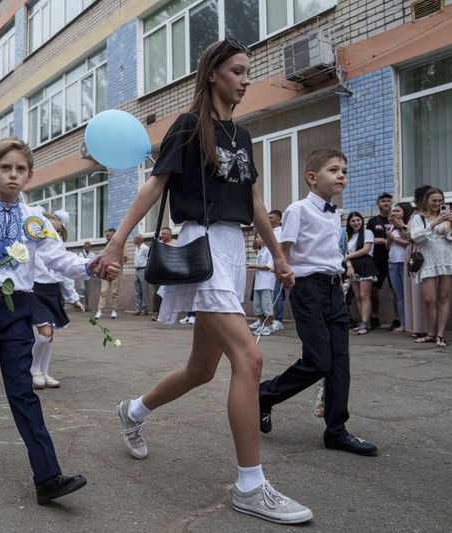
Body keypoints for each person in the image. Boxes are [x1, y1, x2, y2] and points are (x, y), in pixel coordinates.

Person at [90, 40, 312, 524]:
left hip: (234, 249)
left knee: (202, 370)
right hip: (201, 247)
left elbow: (254, 202)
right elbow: (155, 185)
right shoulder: (189, 127)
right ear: (213, 74)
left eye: (249, 71)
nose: (246, 79)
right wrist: (116, 243)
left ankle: (132, 412)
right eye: (237, 70)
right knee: (250, 358)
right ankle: (250, 486)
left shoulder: (244, 134)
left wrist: (276, 255)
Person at [0, 137, 121, 505]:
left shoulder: (34, 220)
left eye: (20, 169)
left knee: (22, 390)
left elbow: (58, 260)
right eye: (6, 168)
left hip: (16, 309)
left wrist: (93, 266)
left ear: (30, 175)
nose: (13, 175)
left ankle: (47, 476)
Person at [259, 148, 378, 459]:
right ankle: (264, 395)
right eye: (334, 170)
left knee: (340, 361)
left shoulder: (334, 213)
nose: (342, 175)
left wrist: (340, 278)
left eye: (344, 171)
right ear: (312, 178)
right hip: (307, 290)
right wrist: (282, 272)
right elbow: (282, 250)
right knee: (318, 361)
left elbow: (329, 255)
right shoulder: (298, 210)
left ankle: (336, 430)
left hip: (332, 289)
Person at [30, 211, 86, 389]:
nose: (52, 221)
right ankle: (33, 370)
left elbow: (66, 273)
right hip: (36, 290)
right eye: (48, 218)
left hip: (53, 291)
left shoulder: (59, 246)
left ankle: (44, 371)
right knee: (44, 333)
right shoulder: (34, 240)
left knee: (50, 335)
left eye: (55, 218)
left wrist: (74, 298)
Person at [408, 187, 452, 348]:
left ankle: (440, 334)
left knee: (444, 297)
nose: (437, 204)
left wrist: (451, 222)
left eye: (440, 201)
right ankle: (430, 333)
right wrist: (435, 223)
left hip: (446, 256)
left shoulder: (446, 216)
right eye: (434, 201)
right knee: (429, 299)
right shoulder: (419, 217)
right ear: (427, 201)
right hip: (428, 259)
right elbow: (416, 237)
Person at [403, 185, 431, 338]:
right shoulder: (416, 216)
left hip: (429, 252)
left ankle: (428, 326)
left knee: (427, 291)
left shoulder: (433, 214)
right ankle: (418, 326)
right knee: (416, 290)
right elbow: (411, 235)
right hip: (417, 253)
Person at [344, 212, 377, 335]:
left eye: (358, 220)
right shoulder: (348, 236)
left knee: (364, 295)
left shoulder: (367, 232)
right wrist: (349, 265)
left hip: (365, 264)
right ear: (349, 223)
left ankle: (364, 323)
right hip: (353, 266)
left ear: (362, 221)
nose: (356, 223)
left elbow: (366, 249)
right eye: (353, 221)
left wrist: (348, 257)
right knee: (357, 296)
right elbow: (345, 252)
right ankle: (365, 323)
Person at [366, 192, 393, 330]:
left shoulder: (395, 219)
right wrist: (380, 241)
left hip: (394, 259)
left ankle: (397, 319)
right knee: (374, 290)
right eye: (383, 201)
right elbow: (368, 240)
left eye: (388, 201)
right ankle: (374, 316)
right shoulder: (373, 221)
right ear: (378, 204)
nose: (386, 203)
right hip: (377, 260)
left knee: (396, 290)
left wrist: (383, 240)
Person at [385, 202, 412, 333]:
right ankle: (404, 324)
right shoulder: (391, 228)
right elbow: (387, 246)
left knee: (408, 295)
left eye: (398, 211)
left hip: (404, 262)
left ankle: (413, 323)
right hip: (392, 263)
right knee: (399, 295)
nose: (394, 213)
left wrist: (395, 239)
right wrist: (390, 238)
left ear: (405, 212)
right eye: (393, 211)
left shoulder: (407, 226)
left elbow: (410, 243)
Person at [247, 234, 275, 336]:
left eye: (258, 237)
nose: (256, 239)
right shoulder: (260, 251)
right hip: (258, 283)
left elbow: (269, 266)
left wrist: (254, 266)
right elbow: (254, 246)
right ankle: (262, 324)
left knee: (266, 305)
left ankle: (269, 326)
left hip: (267, 282)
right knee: (258, 306)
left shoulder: (270, 250)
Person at [94, 228, 125, 320]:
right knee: (104, 291)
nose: (106, 236)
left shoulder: (121, 245)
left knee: (115, 291)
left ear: (114, 235)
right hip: (105, 270)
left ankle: (114, 310)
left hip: (115, 270)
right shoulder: (105, 245)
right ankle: (100, 310)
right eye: (106, 235)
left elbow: (124, 258)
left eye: (108, 235)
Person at [268, 210, 286, 332]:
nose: (268, 219)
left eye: (271, 217)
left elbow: (282, 248)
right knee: (274, 294)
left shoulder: (282, 232)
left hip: (279, 267)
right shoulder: (269, 232)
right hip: (268, 268)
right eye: (267, 217)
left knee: (277, 294)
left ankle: (278, 320)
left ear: (279, 220)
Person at [132, 234, 149, 315]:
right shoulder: (137, 248)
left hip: (143, 270)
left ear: (139, 239)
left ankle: (145, 309)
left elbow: (148, 259)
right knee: (137, 290)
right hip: (137, 270)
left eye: (135, 238)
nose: (133, 240)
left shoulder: (145, 248)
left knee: (144, 290)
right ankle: (138, 308)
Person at [76, 241, 96, 311]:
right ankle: (80, 306)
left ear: (90, 247)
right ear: (84, 247)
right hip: (81, 274)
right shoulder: (80, 253)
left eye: (88, 247)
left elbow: (94, 264)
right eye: (86, 247)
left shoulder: (92, 254)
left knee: (87, 291)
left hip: (88, 274)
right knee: (82, 289)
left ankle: (87, 306)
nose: (87, 248)